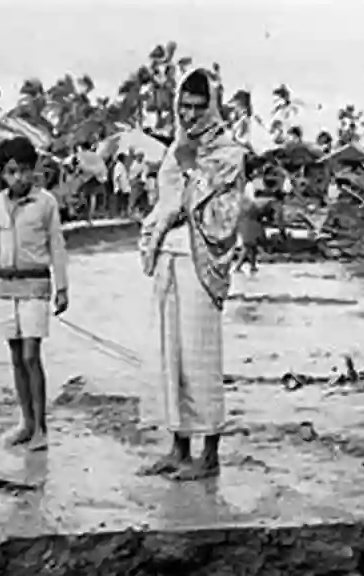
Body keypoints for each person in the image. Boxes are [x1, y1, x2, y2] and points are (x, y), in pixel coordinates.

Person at [138, 67, 247, 480]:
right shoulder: (176, 148)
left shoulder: (228, 153)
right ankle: (178, 446)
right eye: (184, 105)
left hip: (201, 263)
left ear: (212, 107)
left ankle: (210, 454)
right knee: (172, 357)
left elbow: (220, 213)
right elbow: (164, 200)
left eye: (199, 107)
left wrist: (190, 172)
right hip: (169, 255)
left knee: (201, 359)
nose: (190, 114)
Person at [0, 136, 69, 452]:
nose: (19, 177)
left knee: (30, 355)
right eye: (12, 171)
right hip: (5, 287)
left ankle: (41, 429)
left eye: (24, 171)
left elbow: (58, 248)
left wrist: (62, 288)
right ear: (2, 173)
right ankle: (25, 422)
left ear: (33, 171)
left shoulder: (46, 203)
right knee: (15, 356)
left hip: (36, 286)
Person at [111, 152, 130, 217]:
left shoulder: (122, 165)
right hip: (121, 187)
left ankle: (124, 213)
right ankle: (120, 214)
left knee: (124, 201)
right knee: (120, 201)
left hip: (124, 187)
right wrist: (118, 187)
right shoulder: (119, 166)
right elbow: (117, 177)